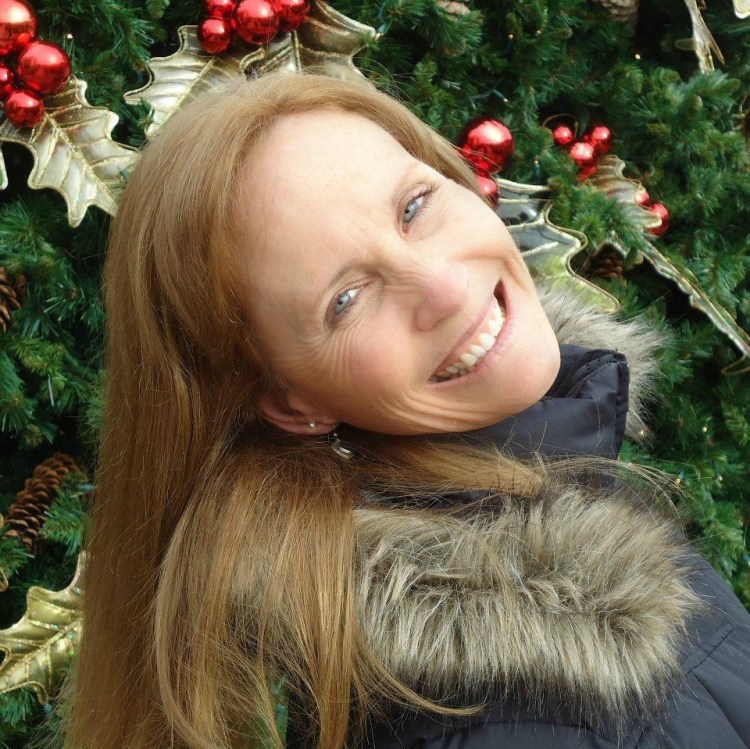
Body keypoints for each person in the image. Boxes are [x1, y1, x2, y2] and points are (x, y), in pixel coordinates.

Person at [60, 71, 750, 749]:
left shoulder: (552, 474)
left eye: (415, 206)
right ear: (289, 403)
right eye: (345, 300)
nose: (444, 287)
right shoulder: (503, 721)